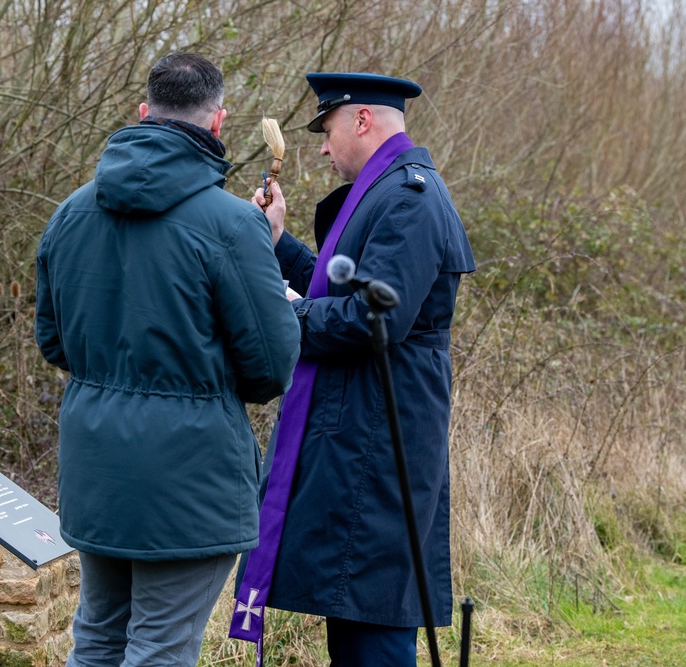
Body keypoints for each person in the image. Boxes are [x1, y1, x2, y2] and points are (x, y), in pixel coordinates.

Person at [35, 53, 301, 667]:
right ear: (218, 123)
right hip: (191, 472)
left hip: (96, 464)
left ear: (142, 113)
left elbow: (54, 343)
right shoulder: (234, 227)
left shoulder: (71, 214)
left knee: (98, 635)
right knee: (161, 646)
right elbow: (269, 368)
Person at [231, 72, 475, 666]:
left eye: (327, 128)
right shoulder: (386, 190)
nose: (320, 145)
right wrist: (280, 244)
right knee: (354, 610)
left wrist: (288, 313)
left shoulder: (407, 197)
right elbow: (341, 283)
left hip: (381, 442)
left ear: (361, 120)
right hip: (361, 435)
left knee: (373, 620)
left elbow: (374, 317)